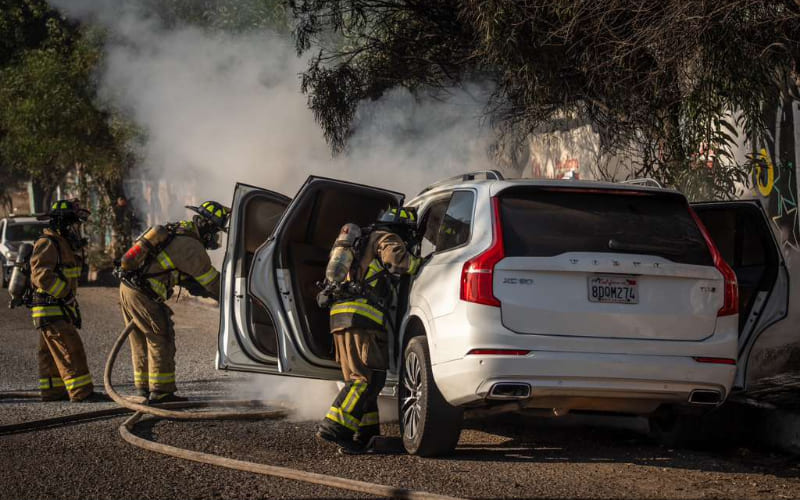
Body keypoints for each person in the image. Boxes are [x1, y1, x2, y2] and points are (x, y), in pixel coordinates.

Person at [316, 207, 421, 452]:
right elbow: (397, 260)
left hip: (343, 317)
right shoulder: (386, 237)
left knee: (373, 380)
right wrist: (421, 264)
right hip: (362, 318)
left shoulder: (360, 243)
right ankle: (334, 428)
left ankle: (365, 434)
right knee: (362, 380)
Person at [117, 200, 229, 403]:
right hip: (143, 294)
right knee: (161, 337)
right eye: (215, 232)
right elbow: (213, 283)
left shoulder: (177, 231)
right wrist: (231, 297)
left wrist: (191, 284)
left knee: (140, 340)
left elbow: (170, 267)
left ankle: (143, 389)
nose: (214, 238)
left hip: (128, 288)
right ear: (206, 226)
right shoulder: (192, 246)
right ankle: (162, 392)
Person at [31, 199, 105, 402]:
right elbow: (40, 275)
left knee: (50, 353)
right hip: (51, 307)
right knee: (70, 349)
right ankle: (82, 392)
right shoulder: (48, 242)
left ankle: (53, 390)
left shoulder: (61, 243)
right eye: (73, 224)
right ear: (63, 223)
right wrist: (65, 294)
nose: (76, 229)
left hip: (56, 307)